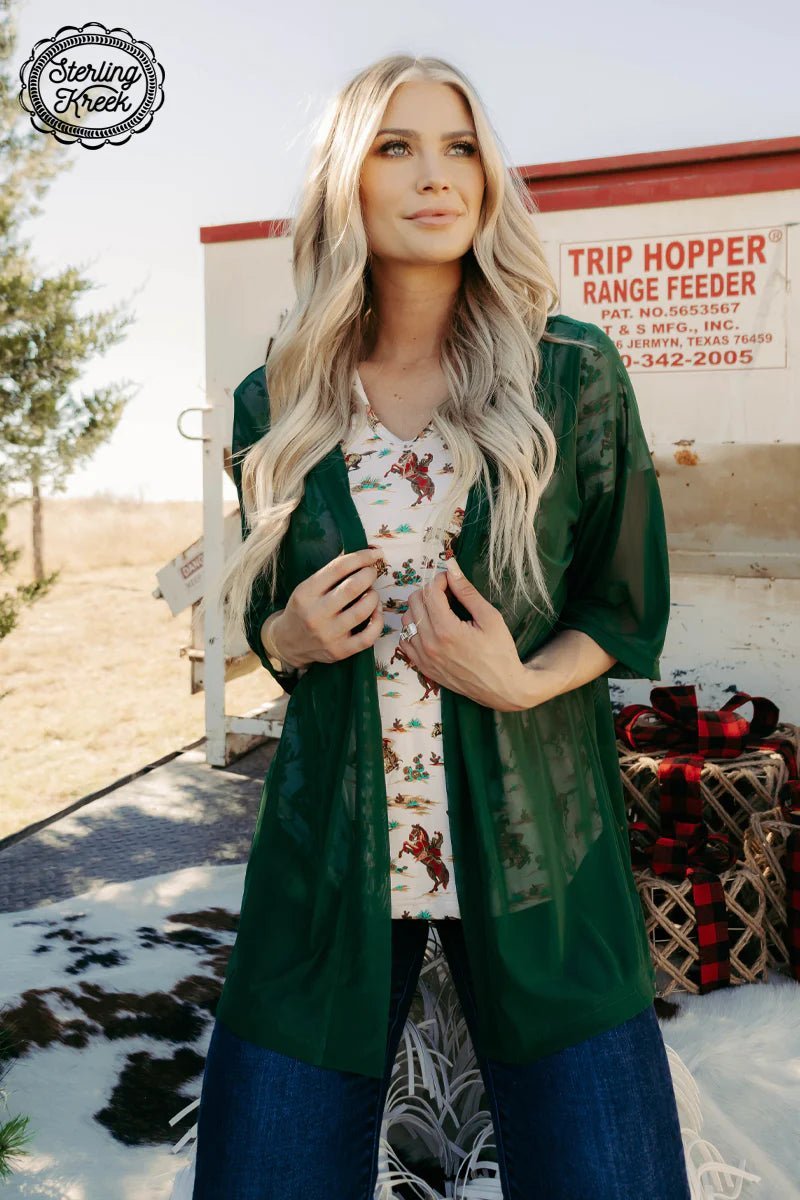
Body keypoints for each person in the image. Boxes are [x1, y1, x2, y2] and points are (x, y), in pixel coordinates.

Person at [192, 53, 691, 1200]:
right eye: (397, 147)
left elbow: (621, 604)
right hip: (329, 871)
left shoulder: (569, 373)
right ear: (346, 183)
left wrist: (517, 682)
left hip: (536, 857)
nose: (437, 175)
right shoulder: (277, 400)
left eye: (459, 146)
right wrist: (287, 643)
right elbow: (269, 615)